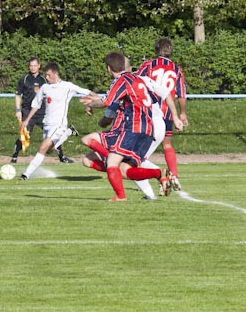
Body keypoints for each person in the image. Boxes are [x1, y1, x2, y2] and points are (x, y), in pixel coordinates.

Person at [80, 51, 183, 202]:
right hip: (150, 127)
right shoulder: (140, 79)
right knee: (123, 169)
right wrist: (176, 116)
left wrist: (92, 104)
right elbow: (164, 94)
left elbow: (107, 103)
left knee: (108, 157)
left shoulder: (121, 81)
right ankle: (158, 174)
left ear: (109, 68)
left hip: (133, 128)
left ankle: (122, 196)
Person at [19, 62, 95, 181]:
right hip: (47, 124)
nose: (47, 77)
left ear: (55, 74)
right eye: (46, 75)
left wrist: (94, 103)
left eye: (49, 75)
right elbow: (36, 105)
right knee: (49, 150)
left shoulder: (67, 86)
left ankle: (26, 174)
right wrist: (27, 120)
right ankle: (69, 132)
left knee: (42, 148)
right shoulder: (45, 87)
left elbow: (88, 92)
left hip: (59, 125)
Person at [137, 38, 188, 191]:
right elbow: (181, 94)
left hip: (150, 111)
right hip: (168, 111)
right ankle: (175, 176)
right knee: (167, 144)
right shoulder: (177, 69)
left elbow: (137, 83)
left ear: (156, 49)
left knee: (141, 148)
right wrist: (182, 113)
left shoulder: (148, 65)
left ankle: (149, 176)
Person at [11, 57, 75, 164]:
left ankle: (62, 157)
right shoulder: (24, 79)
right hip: (28, 111)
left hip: (43, 113)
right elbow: (18, 95)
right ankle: (14, 157)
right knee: (25, 134)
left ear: (39, 66)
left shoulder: (44, 79)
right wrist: (18, 110)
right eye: (31, 66)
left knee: (53, 134)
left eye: (35, 66)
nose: (33, 68)